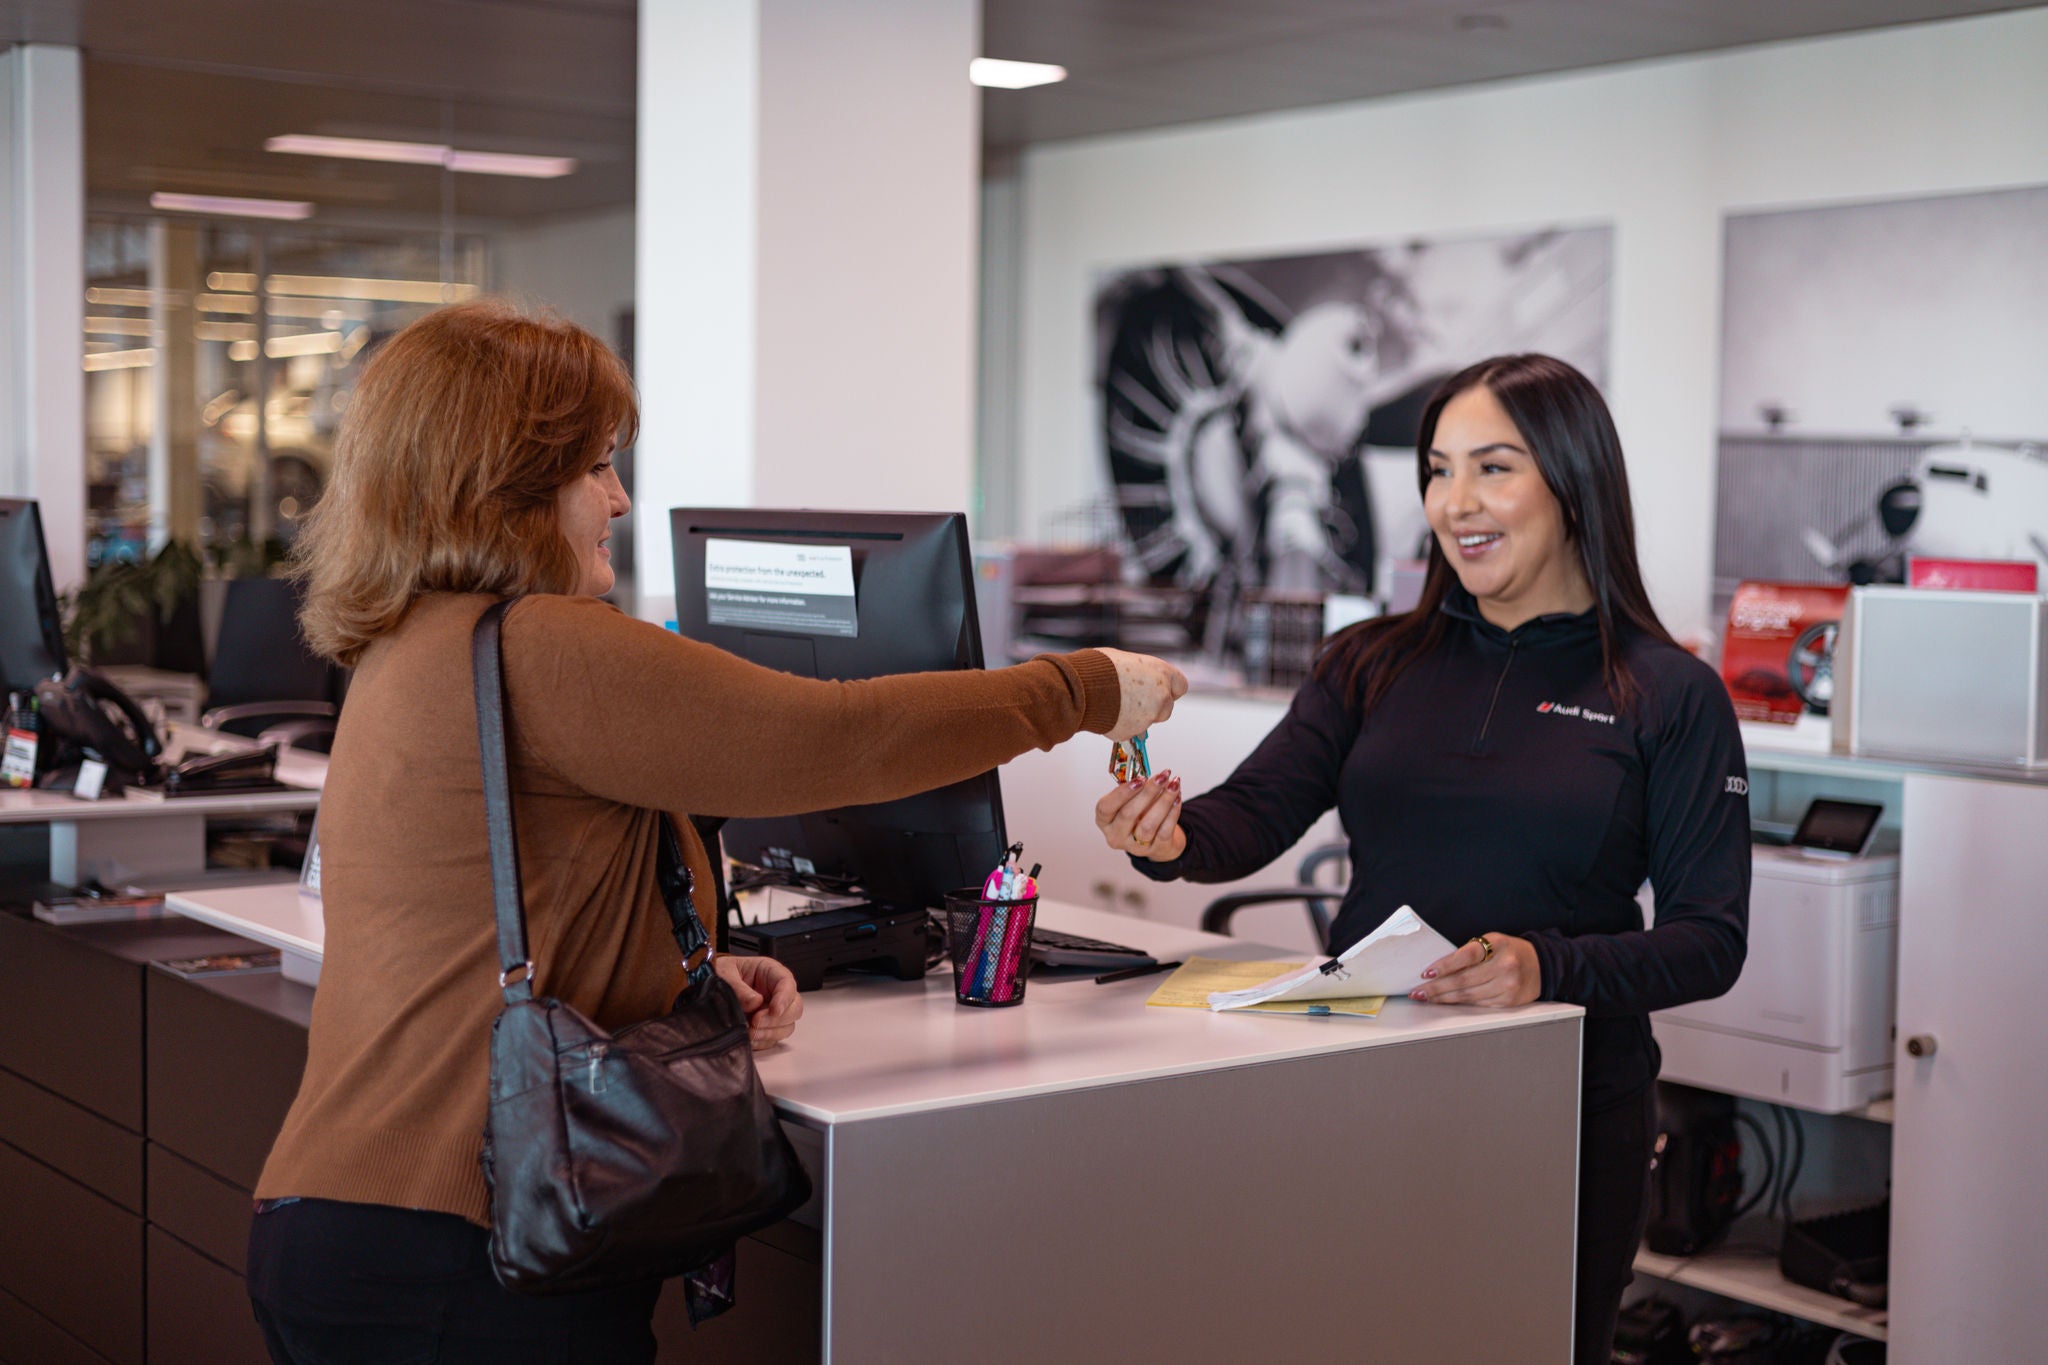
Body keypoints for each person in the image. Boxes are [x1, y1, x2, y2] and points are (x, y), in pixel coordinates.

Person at [247, 300, 1187, 1364]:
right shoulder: (543, 649)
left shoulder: (414, 642)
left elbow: (471, 918)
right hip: (463, 1256)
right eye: (594, 466)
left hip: (365, 1220)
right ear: (508, 484)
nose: (617, 496)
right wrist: (1077, 688)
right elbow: (840, 742)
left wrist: (676, 968)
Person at [1095, 353, 1749, 1365]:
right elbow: (1257, 811)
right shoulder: (1370, 659)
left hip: (1561, 1104)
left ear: (1572, 481)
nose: (1454, 501)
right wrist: (1169, 838)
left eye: (1492, 467)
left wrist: (1546, 965)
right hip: (1364, 1075)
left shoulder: (1663, 691)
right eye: (1437, 470)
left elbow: (1709, 941)